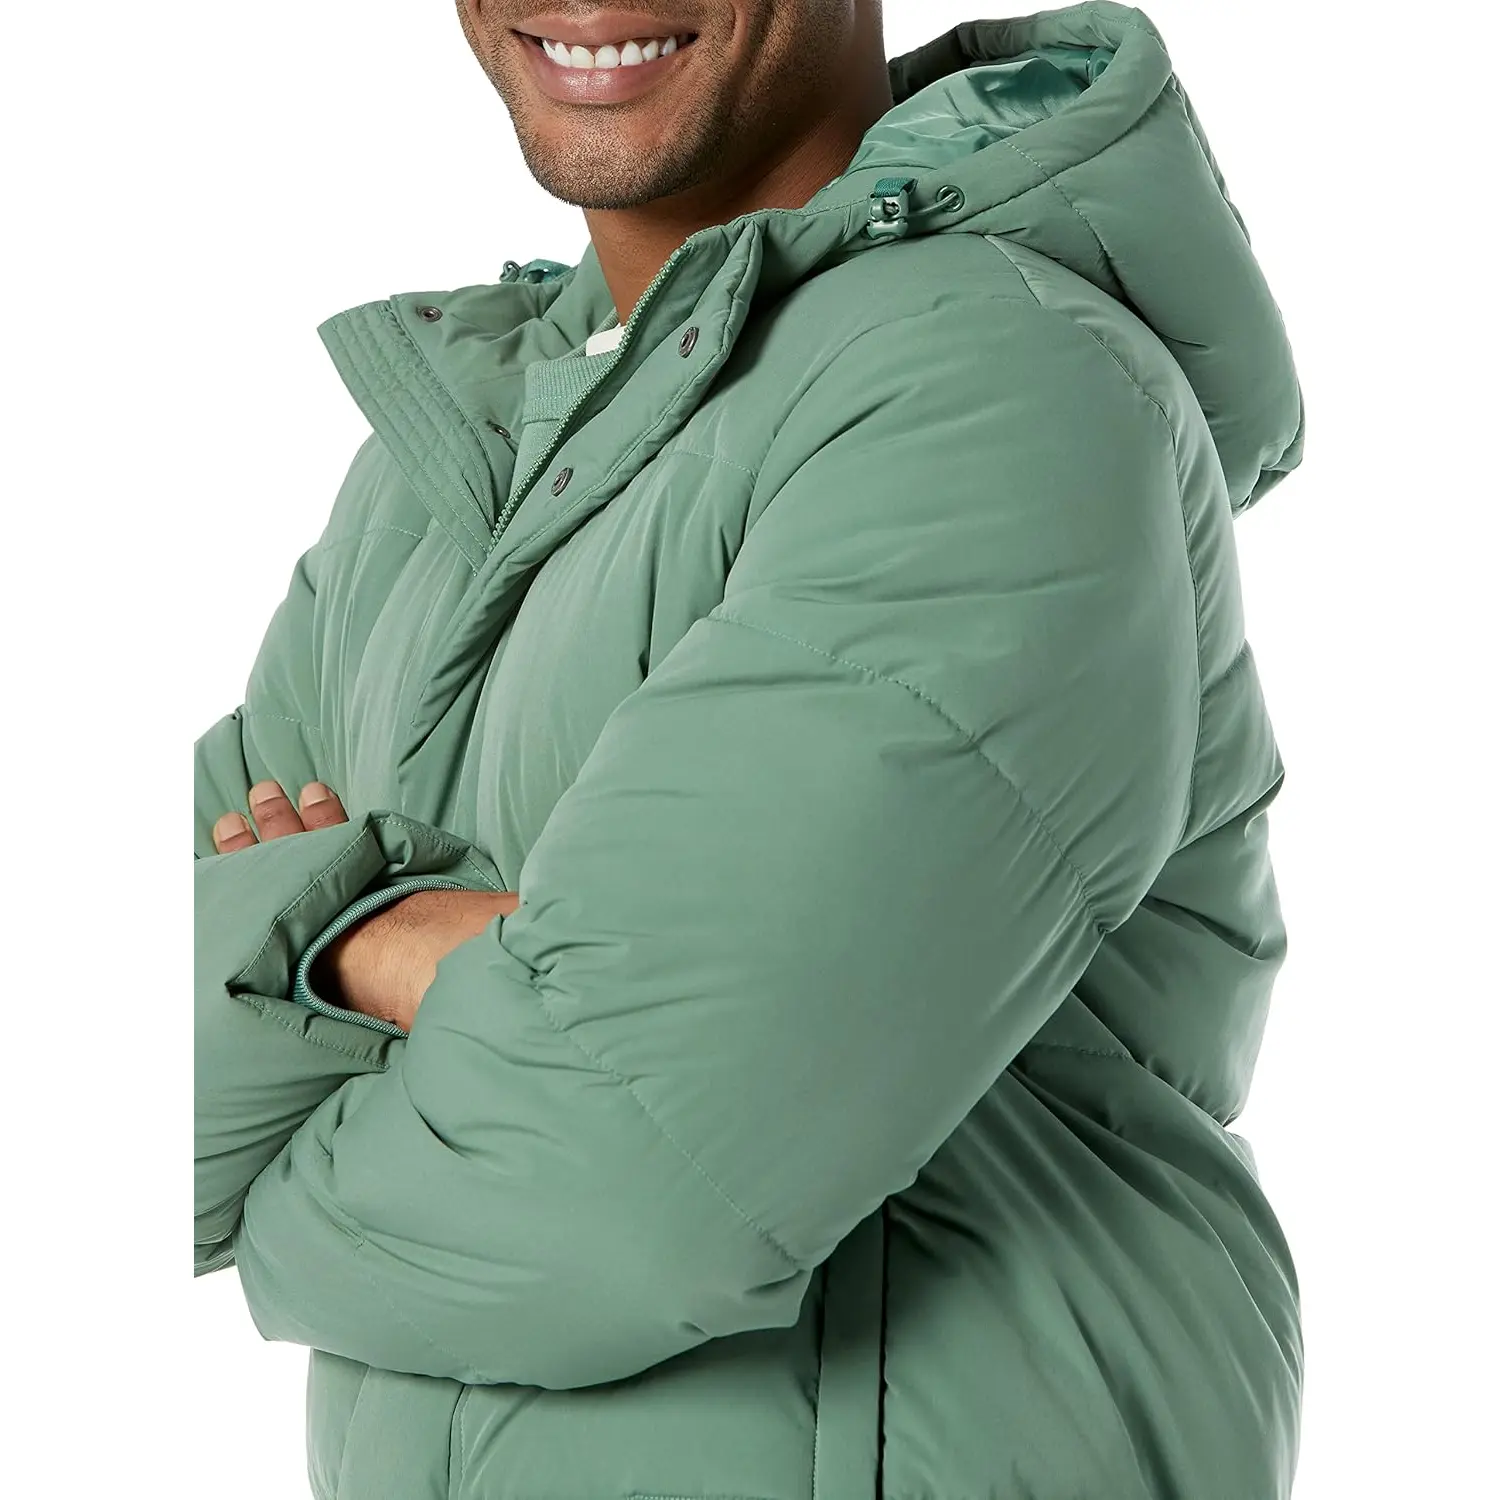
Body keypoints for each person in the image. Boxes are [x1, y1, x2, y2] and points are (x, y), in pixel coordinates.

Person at [193, 2, 1307, 1496]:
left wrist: (322, 947)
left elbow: (620, 1189)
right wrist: (476, 971)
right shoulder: (445, 456)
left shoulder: (994, 387)